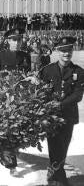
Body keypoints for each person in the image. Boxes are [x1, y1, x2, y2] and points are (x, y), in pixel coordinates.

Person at [0, 28, 31, 176]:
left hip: (21, 99)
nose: (17, 42)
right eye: (14, 39)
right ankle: (11, 165)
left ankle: (8, 155)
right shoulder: (1, 56)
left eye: (19, 39)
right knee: (8, 129)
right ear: (8, 41)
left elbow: (28, 75)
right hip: (4, 100)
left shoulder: (25, 56)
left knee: (18, 131)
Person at [40, 37, 84, 186]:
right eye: (64, 50)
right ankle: (57, 177)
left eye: (69, 50)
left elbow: (78, 95)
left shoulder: (79, 71)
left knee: (64, 146)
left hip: (68, 116)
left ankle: (54, 175)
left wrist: (59, 104)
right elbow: (41, 93)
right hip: (51, 117)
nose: (67, 54)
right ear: (58, 51)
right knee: (53, 146)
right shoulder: (47, 70)